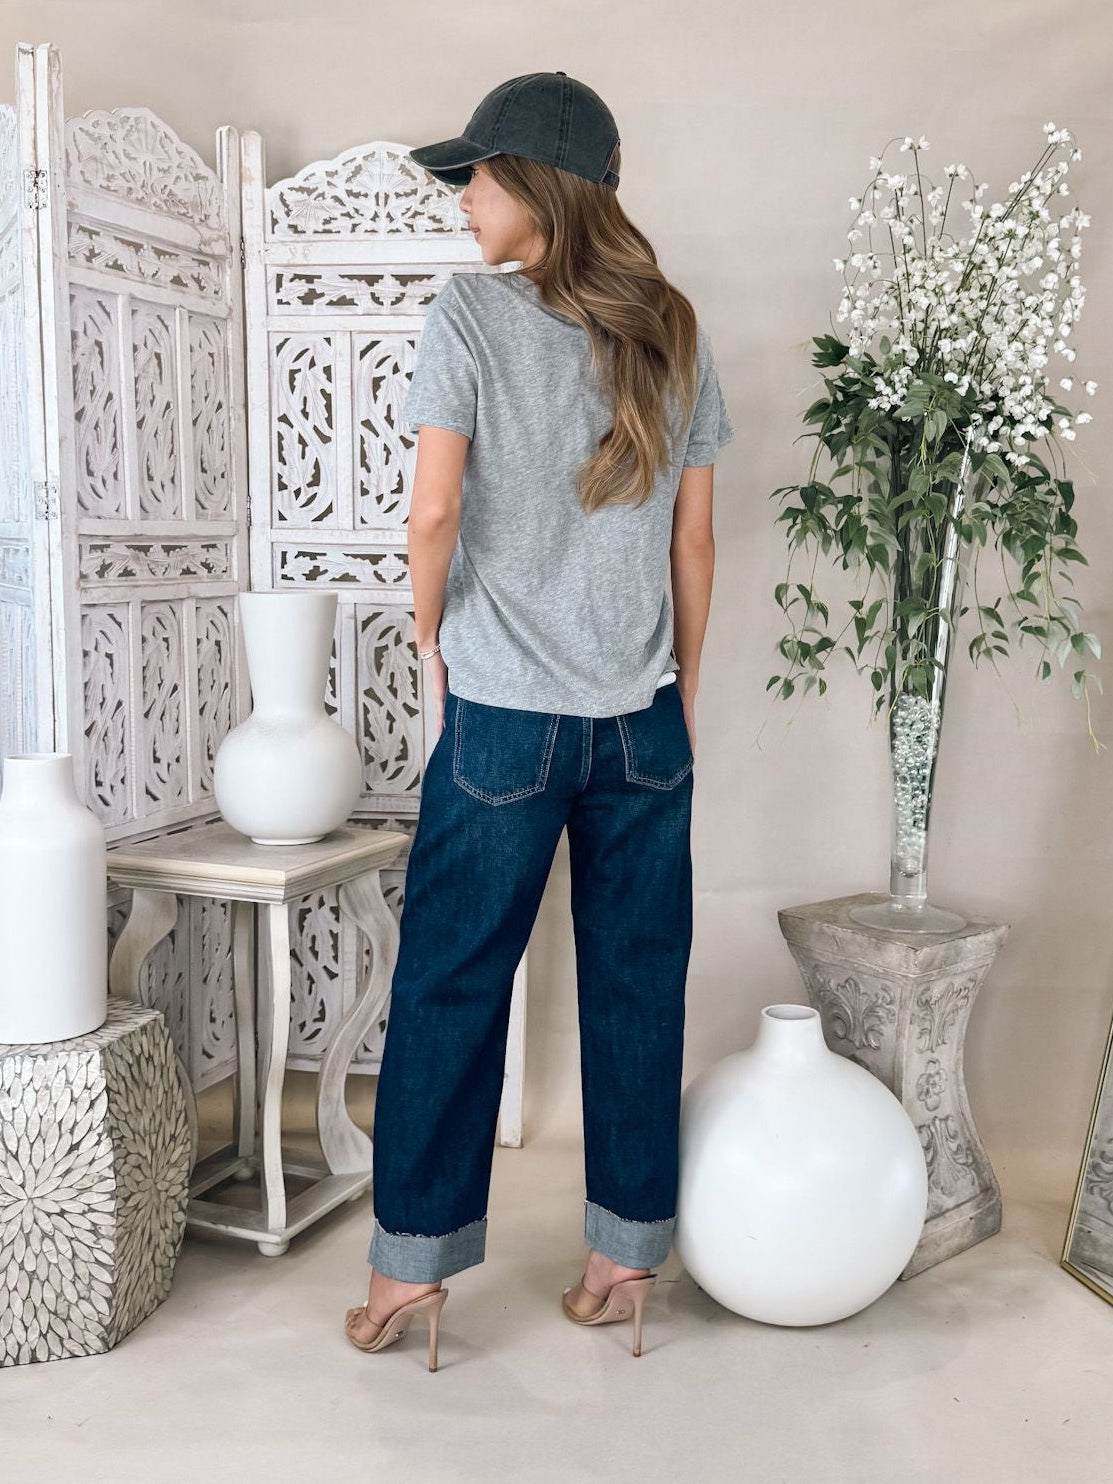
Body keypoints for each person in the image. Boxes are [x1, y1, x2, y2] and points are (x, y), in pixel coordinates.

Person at [344, 71, 734, 1369]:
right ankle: (624, 1261)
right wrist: (680, 684)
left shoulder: (466, 315)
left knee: (452, 983)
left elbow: (432, 514)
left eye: (480, 176)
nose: (464, 199)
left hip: (505, 716)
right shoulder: (672, 327)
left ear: (539, 188)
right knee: (638, 981)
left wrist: (428, 640)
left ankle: (407, 1278)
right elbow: (694, 541)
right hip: (641, 721)